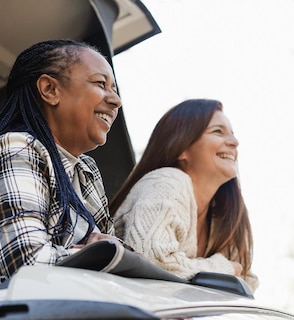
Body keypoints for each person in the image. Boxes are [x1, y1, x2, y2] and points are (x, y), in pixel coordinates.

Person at [0, 39, 122, 281]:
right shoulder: (17, 147)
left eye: (115, 89)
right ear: (50, 89)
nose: (115, 101)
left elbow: (112, 249)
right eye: (101, 84)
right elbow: (26, 264)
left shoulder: (86, 169)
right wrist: (97, 255)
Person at [110, 99, 258, 292]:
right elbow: (151, 261)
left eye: (232, 133)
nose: (234, 142)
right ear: (182, 147)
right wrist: (224, 268)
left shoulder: (227, 213)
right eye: (217, 131)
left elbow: (246, 280)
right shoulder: (167, 181)